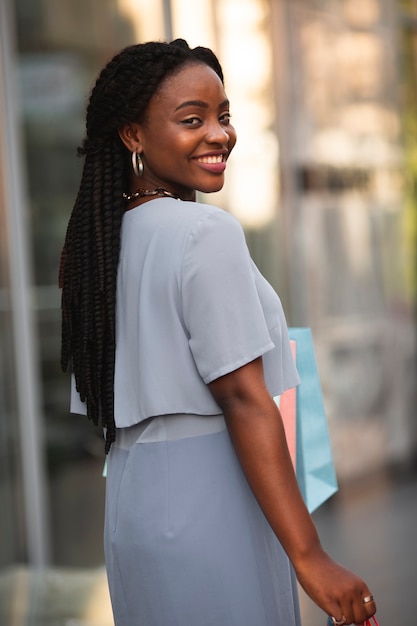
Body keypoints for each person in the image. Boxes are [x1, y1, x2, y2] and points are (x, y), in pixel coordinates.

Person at [59, 39, 377, 626]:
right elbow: (242, 398)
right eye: (191, 119)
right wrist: (310, 556)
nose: (219, 134)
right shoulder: (204, 233)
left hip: (134, 503)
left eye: (224, 115)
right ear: (133, 135)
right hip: (214, 491)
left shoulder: (101, 244)